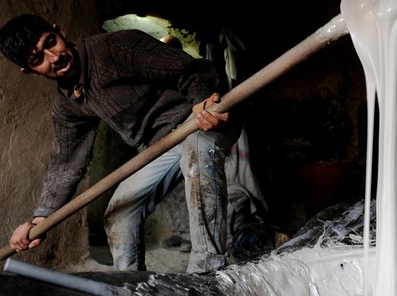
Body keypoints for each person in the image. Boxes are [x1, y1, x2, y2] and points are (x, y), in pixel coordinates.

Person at [0, 14, 241, 274]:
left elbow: (193, 69)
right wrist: (39, 219)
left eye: (51, 41)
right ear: (30, 71)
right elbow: (65, 164)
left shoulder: (115, 48)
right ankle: (132, 285)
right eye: (39, 58)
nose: (55, 57)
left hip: (200, 120)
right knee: (119, 213)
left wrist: (202, 99)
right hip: (162, 145)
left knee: (197, 159)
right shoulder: (68, 105)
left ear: (60, 30)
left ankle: (207, 274)